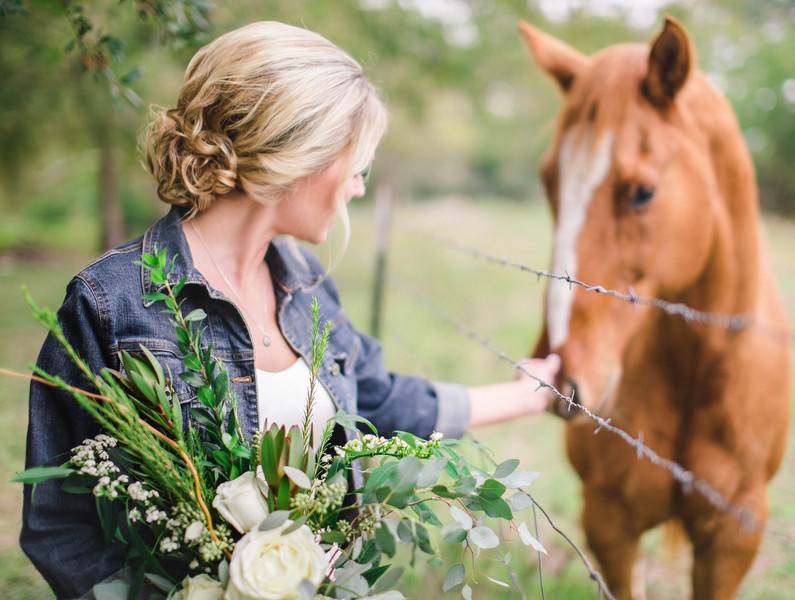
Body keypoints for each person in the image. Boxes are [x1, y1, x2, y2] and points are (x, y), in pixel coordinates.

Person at [20, 21, 561, 598]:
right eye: (357, 164)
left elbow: (376, 400)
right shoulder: (110, 305)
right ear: (298, 153)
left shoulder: (306, 284)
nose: (357, 187)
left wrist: (530, 393)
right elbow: (62, 526)